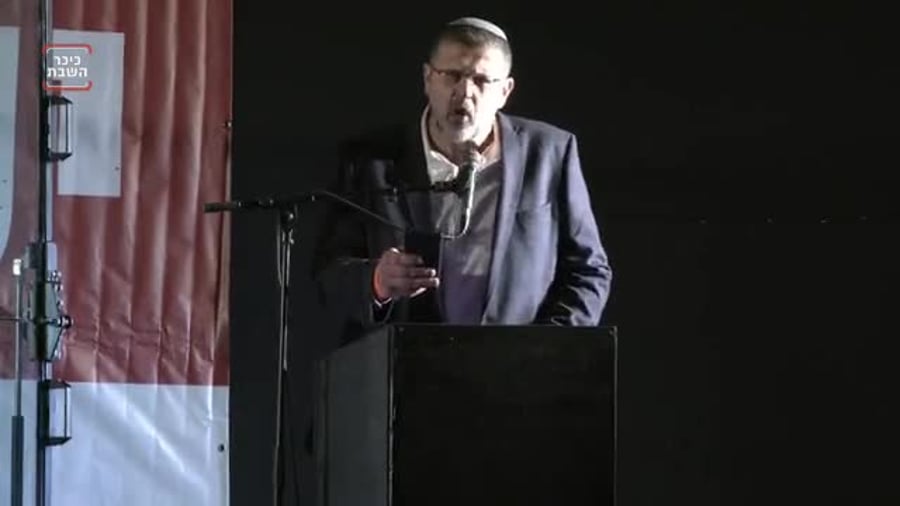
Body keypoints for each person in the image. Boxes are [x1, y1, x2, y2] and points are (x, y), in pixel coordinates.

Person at [313, 16, 612, 341]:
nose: (464, 92)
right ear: (428, 78)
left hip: (517, 364)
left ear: (504, 91)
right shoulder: (370, 159)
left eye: (481, 80)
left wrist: (548, 348)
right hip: (403, 362)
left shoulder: (549, 152)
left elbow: (588, 271)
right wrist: (376, 282)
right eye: (452, 76)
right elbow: (327, 274)